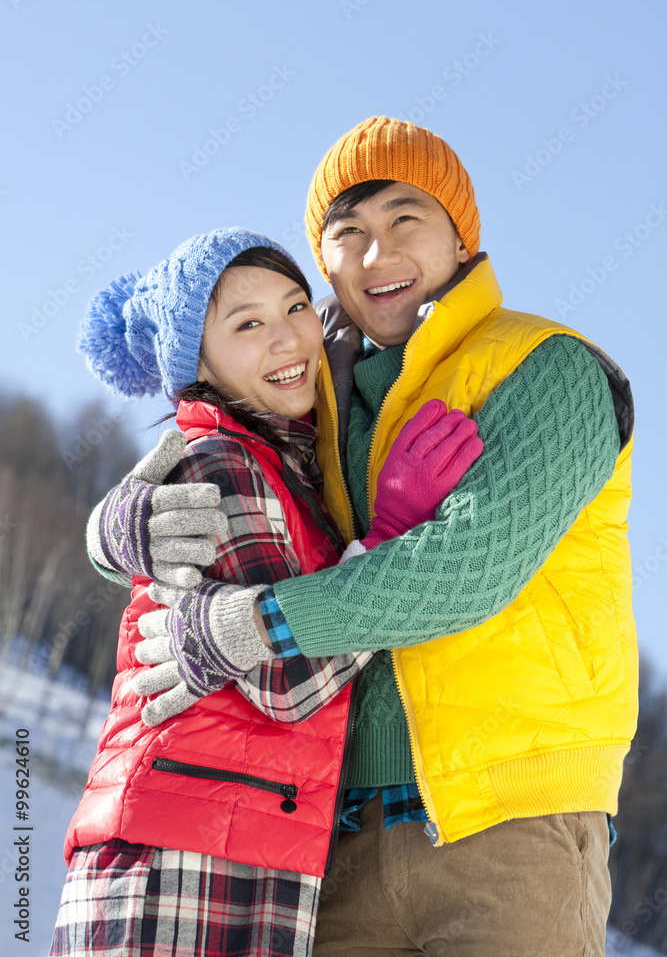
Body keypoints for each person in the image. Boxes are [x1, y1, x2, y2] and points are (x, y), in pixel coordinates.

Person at [89, 116, 637, 955]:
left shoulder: (545, 366)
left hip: (509, 827)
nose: (377, 255)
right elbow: (216, 440)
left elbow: (467, 570)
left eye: (403, 220)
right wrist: (118, 524)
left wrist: (252, 626)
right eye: (349, 234)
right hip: (330, 846)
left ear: (462, 235)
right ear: (326, 264)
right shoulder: (311, 397)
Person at [49, 226, 482, 957]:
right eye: (247, 324)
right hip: (179, 856)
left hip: (242, 841)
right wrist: (389, 538)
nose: (286, 339)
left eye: (294, 308)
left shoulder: (288, 470)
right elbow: (285, 676)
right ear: (200, 364)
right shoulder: (224, 461)